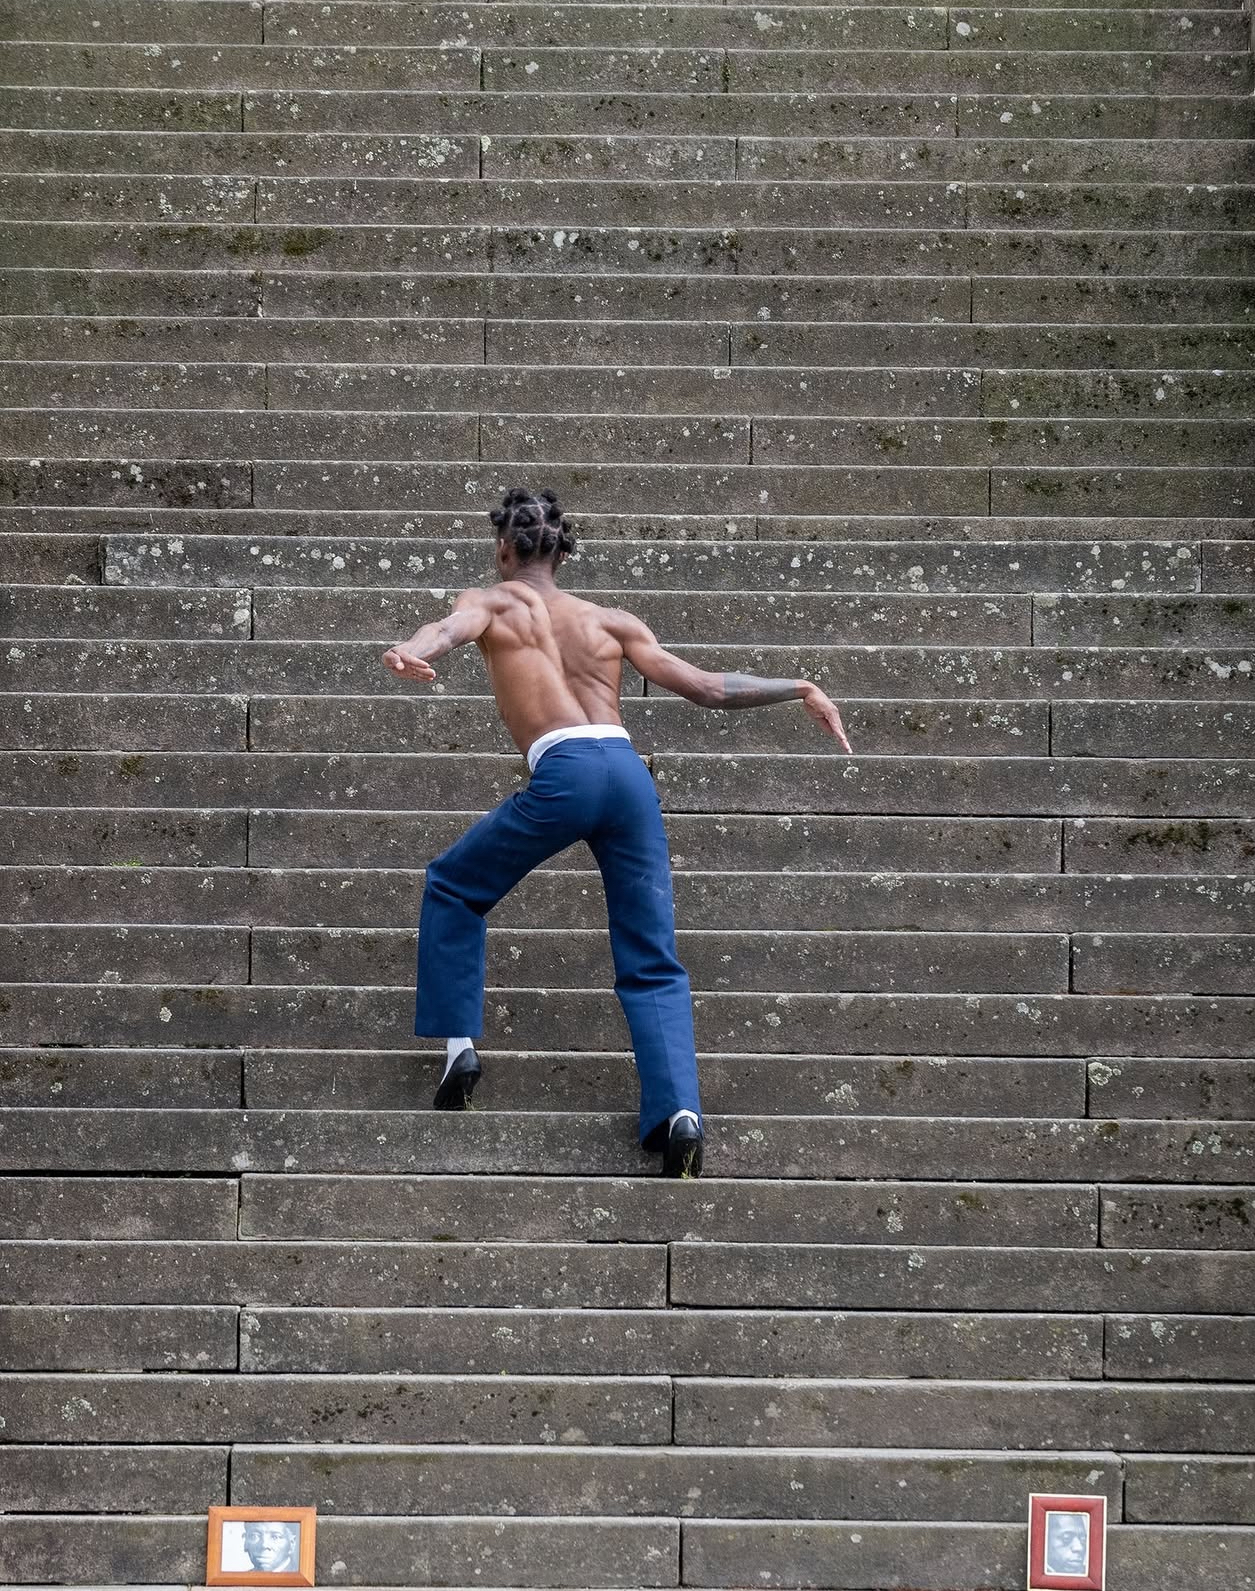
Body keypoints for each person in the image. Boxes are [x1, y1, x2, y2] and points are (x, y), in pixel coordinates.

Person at [382, 486, 852, 1178]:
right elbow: (706, 687)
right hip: (627, 774)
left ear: (503, 549)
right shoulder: (609, 622)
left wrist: (405, 649)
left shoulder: (491, 601)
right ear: (562, 552)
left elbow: (445, 633)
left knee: (453, 884)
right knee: (651, 953)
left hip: (565, 771)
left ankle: (460, 1047)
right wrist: (799, 686)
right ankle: (679, 1113)